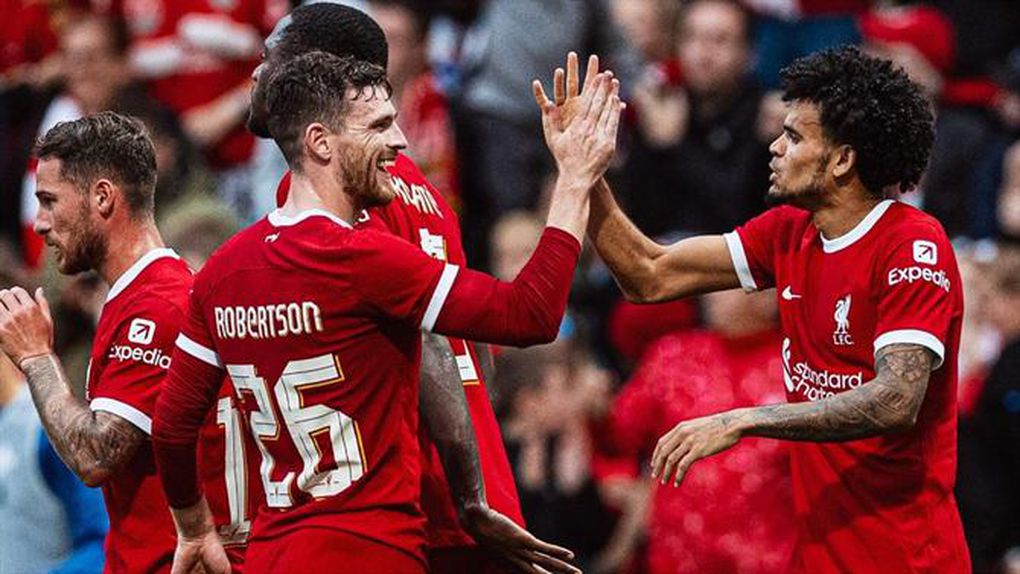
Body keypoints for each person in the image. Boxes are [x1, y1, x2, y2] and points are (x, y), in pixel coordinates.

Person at [151, 50, 621, 574]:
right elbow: (529, 314)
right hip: (371, 551)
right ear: (320, 142)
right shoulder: (364, 260)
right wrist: (574, 179)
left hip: (273, 554)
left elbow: (171, 427)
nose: (399, 140)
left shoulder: (222, 270)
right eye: (378, 126)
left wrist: (193, 527)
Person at [550, 47, 971, 572]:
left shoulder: (911, 245)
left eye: (794, 137)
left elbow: (895, 400)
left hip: (908, 560)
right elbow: (649, 274)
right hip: (819, 559)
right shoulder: (788, 232)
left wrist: (746, 420)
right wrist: (584, 173)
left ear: (842, 160)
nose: (775, 147)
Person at [254, 5, 571, 571]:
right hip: (480, 490)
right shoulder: (423, 190)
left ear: (313, 74)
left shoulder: (330, 192)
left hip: (425, 505)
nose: (257, 72)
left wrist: (464, 492)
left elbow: (431, 340)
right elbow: (472, 345)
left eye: (271, 57)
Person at [0, 112, 188, 571]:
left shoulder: (158, 305)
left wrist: (36, 356)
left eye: (50, 201)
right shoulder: (133, 299)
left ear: (102, 197)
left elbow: (96, 456)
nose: (40, 224)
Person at [591, 289, 794, 573]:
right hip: (676, 560)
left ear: (768, 294)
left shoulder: (797, 366)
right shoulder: (672, 355)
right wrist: (596, 415)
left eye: (729, 284)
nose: (712, 294)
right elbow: (617, 437)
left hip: (771, 560)